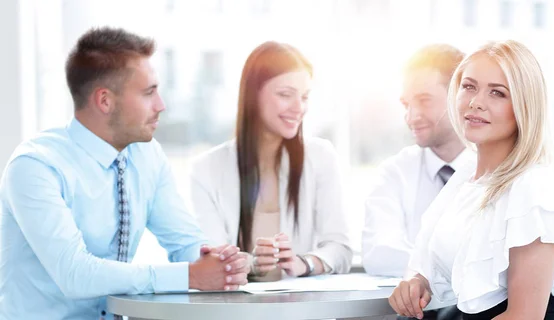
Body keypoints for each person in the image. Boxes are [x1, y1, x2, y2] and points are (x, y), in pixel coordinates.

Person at [0, 27, 249, 320]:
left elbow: (184, 242)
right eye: (148, 93)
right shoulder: (36, 166)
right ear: (105, 101)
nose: (161, 105)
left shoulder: (146, 154)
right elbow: (74, 273)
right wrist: (190, 276)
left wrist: (222, 263)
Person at [389, 40, 554, 319]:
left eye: (498, 93)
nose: (476, 102)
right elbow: (444, 262)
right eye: (469, 87)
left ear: (524, 106)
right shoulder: (466, 178)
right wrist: (419, 281)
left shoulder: (532, 187)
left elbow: (525, 315)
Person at [189, 41, 352, 281]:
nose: (299, 108)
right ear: (253, 95)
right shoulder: (206, 169)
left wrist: (303, 263)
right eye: (286, 95)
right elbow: (209, 258)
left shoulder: (320, 157)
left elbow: (341, 249)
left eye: (304, 97)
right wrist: (250, 263)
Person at [362, 44, 471, 320]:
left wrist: (426, 269)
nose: (411, 116)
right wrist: (450, 269)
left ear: (460, 97)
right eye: (406, 104)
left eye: (424, 100)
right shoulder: (395, 172)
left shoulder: (491, 170)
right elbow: (379, 253)